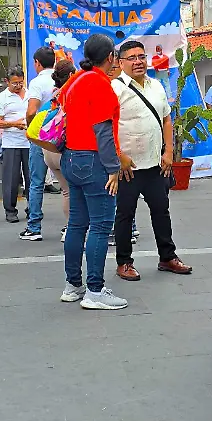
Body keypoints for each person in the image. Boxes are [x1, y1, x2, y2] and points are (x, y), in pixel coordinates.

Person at [58, 34, 131, 310]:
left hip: (71, 157)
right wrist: (113, 168)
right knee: (101, 226)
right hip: (93, 159)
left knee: (77, 223)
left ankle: (73, 285)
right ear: (111, 58)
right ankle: (96, 290)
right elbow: (102, 130)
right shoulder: (101, 85)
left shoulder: (74, 81)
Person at [111, 40, 192, 281]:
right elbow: (107, 126)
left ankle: (167, 257)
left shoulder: (156, 86)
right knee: (125, 215)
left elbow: (167, 119)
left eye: (141, 56)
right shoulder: (114, 89)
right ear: (120, 62)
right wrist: (119, 157)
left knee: (161, 211)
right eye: (132, 58)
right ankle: (124, 262)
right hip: (128, 167)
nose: (138, 61)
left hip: (156, 164)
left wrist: (168, 152)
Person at [19, 47, 58, 241]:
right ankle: (71, 225)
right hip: (61, 136)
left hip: (41, 137)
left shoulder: (37, 83)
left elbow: (31, 110)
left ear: (37, 63)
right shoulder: (64, 78)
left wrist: (31, 129)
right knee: (69, 185)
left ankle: (34, 227)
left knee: (36, 182)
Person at [0, 67, 31, 224]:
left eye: (20, 82)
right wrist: (15, 124)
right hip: (11, 142)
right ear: (7, 82)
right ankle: (10, 210)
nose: (18, 86)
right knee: (11, 178)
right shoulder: (2, 98)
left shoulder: (30, 94)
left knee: (31, 178)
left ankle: (32, 208)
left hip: (30, 142)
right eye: (14, 83)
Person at [45, 60, 76, 243]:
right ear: (72, 75)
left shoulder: (53, 94)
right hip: (65, 148)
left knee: (66, 192)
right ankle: (76, 229)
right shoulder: (71, 93)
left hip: (49, 148)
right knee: (77, 193)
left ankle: (69, 228)